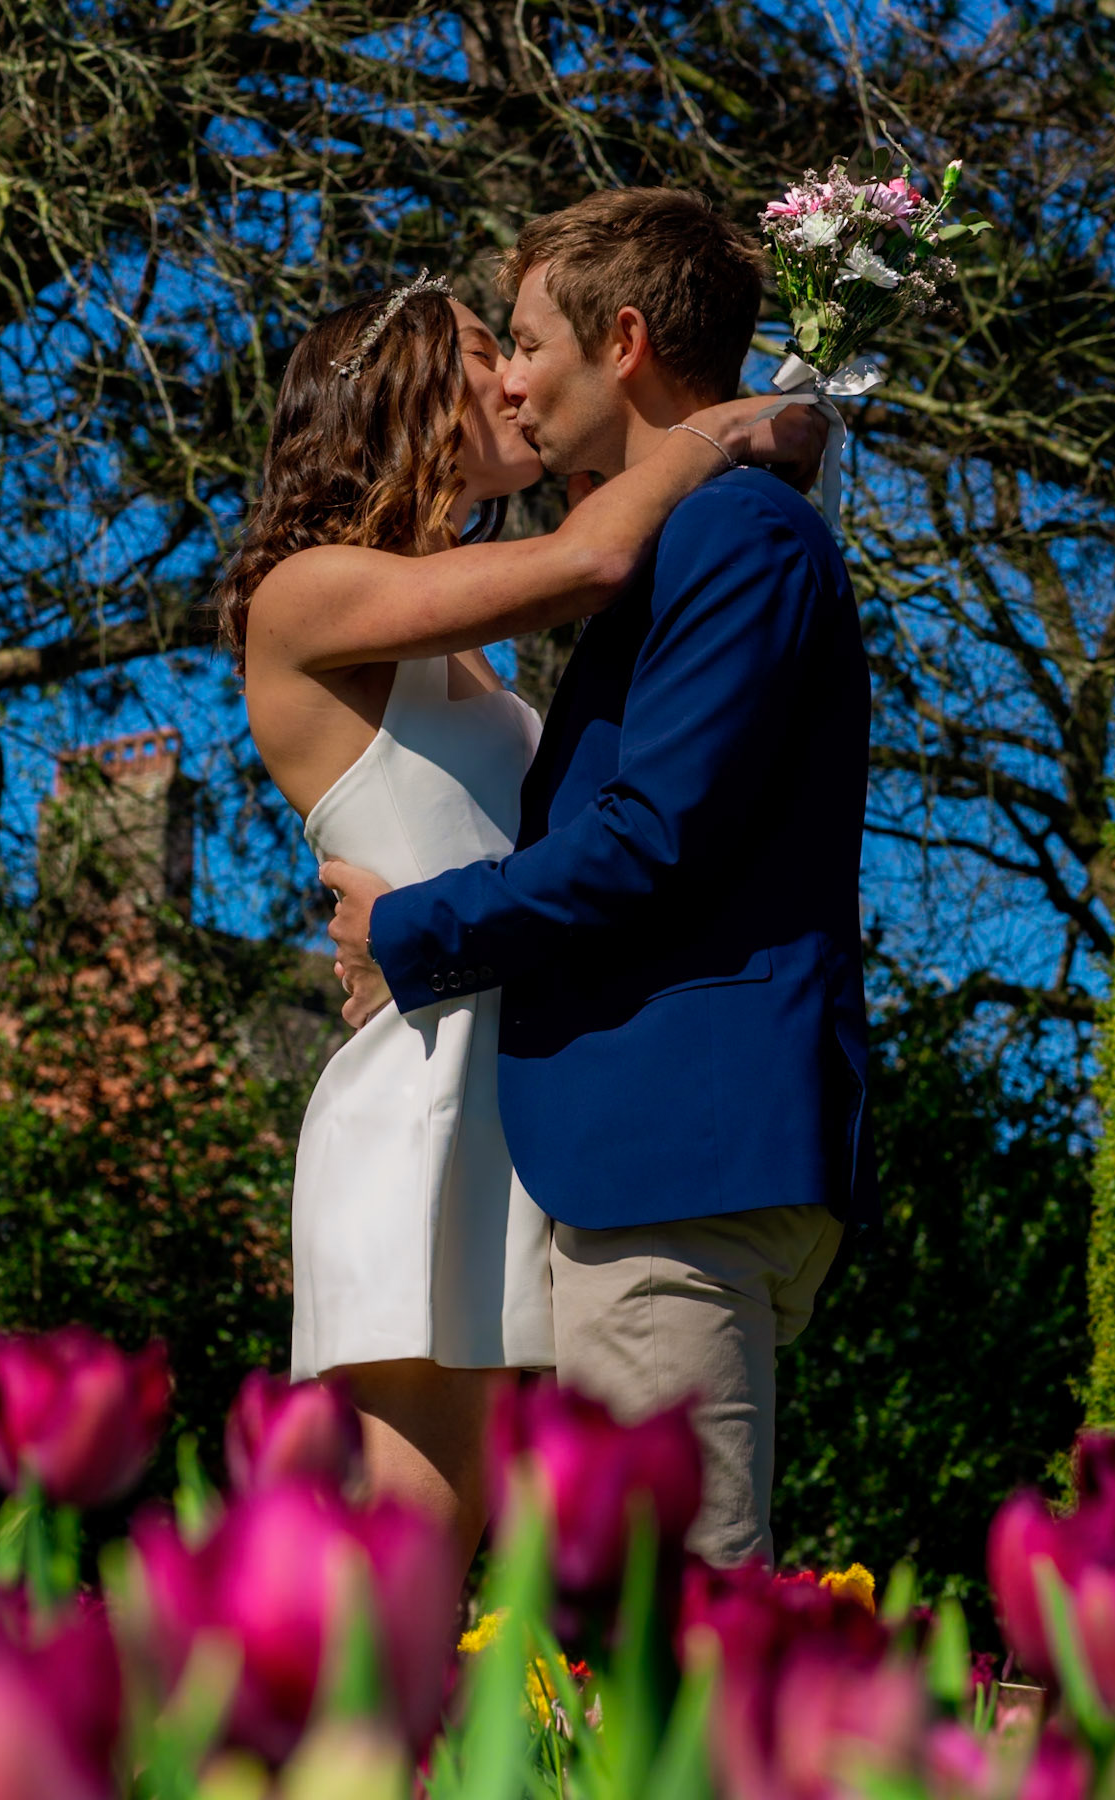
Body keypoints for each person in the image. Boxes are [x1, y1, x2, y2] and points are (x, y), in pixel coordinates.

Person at [219, 263, 826, 1563]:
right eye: (481, 349)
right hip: (425, 1105)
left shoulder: (468, 632)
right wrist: (719, 428)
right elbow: (600, 554)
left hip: (536, 1097)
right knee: (414, 1579)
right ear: (398, 395)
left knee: (551, 1579)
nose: (510, 374)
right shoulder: (308, 593)